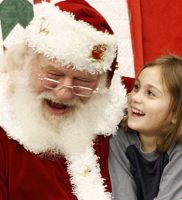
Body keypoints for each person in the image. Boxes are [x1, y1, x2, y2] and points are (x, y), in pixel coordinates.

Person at [0, 1, 127, 199]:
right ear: (26, 61)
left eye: (83, 81)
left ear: (103, 84)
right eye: (53, 75)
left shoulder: (126, 105)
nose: (64, 94)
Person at [109, 55, 182, 200]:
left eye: (150, 93)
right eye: (137, 87)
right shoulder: (119, 139)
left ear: (176, 113)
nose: (135, 97)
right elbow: (122, 195)